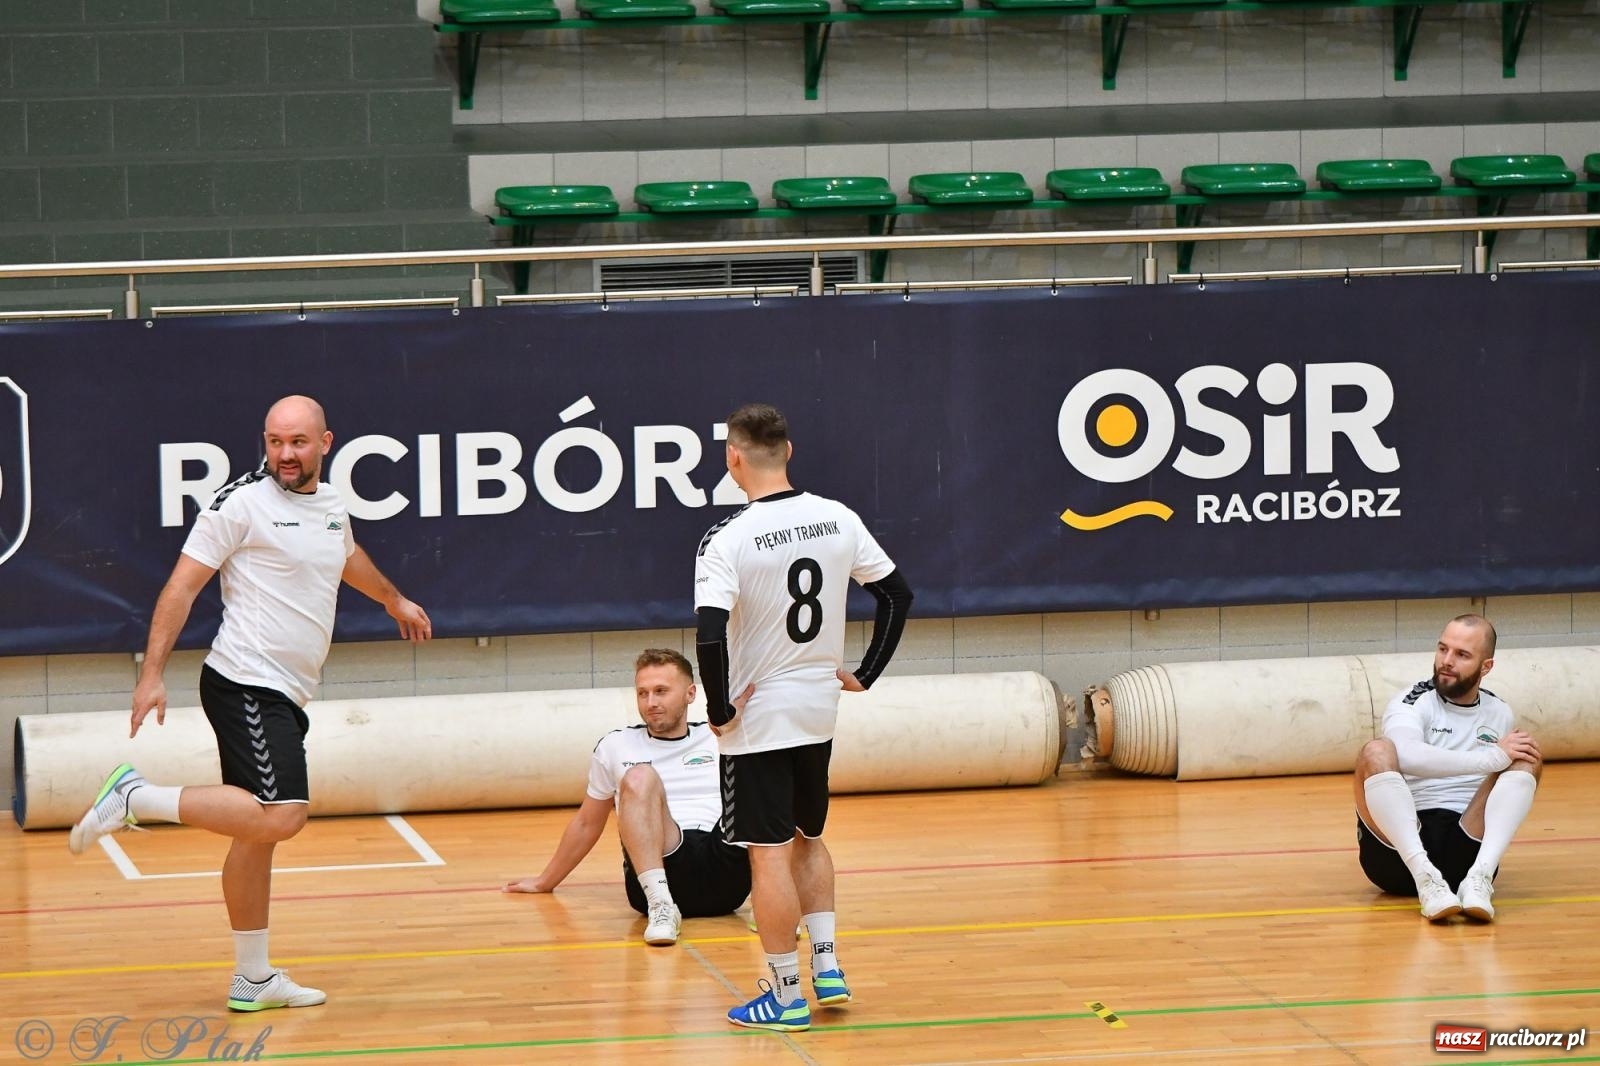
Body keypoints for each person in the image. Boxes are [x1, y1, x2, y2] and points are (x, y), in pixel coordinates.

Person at [67, 395, 432, 1011]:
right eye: (274, 442)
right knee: (283, 814)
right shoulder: (241, 503)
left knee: (254, 836)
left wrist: (393, 600)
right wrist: (151, 674)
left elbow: (346, 556)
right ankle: (135, 796)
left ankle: (253, 977)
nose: (284, 455)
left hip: (289, 692)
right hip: (244, 683)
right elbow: (181, 588)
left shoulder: (332, 506)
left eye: (296, 443)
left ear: (325, 442)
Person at [694, 403, 914, 1032]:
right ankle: (828, 965)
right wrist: (864, 672)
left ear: (734, 458)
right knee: (807, 838)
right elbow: (898, 593)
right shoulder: (837, 517)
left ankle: (786, 997)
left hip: (760, 717)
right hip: (819, 708)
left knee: (766, 855)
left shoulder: (726, 538)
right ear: (788, 451)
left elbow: (710, 636)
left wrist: (717, 707)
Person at [502, 648, 751, 944]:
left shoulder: (716, 736)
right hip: (662, 862)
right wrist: (545, 881)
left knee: (758, 772)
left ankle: (771, 900)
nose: (651, 703)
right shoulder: (616, 746)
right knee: (639, 776)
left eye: (661, 691)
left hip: (725, 867)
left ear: (690, 694)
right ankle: (662, 906)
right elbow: (586, 823)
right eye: (643, 693)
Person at [1354, 614, 1542, 922]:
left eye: (1462, 654)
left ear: (1486, 667)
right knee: (1376, 751)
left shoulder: (1499, 711)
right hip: (1399, 854)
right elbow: (1406, 754)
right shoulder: (1412, 701)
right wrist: (1490, 758)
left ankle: (1479, 879)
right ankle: (1427, 879)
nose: (1447, 661)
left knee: (1527, 756)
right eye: (1443, 649)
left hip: (1465, 846)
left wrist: (1501, 759)